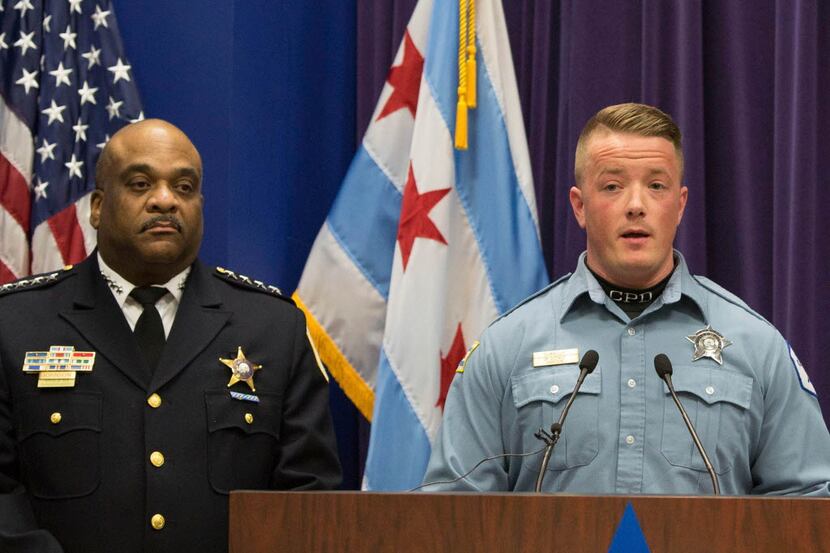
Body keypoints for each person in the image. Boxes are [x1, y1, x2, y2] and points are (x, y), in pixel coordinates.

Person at [421, 103, 830, 495]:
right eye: (613, 186)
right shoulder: (506, 347)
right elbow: (454, 513)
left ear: (680, 204)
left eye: (656, 186)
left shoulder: (756, 346)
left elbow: (808, 506)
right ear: (580, 207)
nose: (636, 206)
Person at [0, 119, 342, 552]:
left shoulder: (274, 329)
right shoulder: (15, 324)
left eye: (184, 187)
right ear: (99, 207)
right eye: (141, 183)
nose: (165, 200)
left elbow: (308, 498)